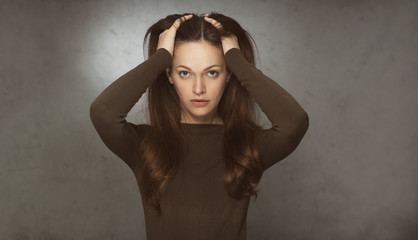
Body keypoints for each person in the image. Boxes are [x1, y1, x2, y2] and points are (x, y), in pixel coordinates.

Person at [90, 12, 309, 240]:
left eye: (212, 72)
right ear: (169, 75)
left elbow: (293, 122)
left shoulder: (248, 146)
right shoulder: (146, 145)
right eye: (184, 73)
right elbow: (104, 112)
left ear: (228, 75)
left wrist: (236, 59)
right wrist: (161, 57)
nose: (198, 88)